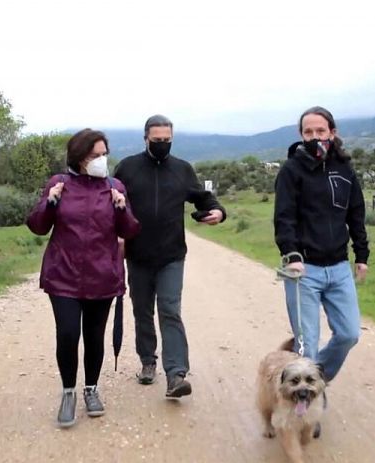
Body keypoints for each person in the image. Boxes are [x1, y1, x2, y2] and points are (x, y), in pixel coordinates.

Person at [27, 129, 141, 427]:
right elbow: (38, 227)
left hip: (102, 275)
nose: (101, 160)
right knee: (67, 334)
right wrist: (49, 203)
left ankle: (91, 388)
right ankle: (68, 392)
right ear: (79, 158)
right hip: (63, 275)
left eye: (104, 154)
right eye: (94, 155)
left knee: (94, 337)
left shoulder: (115, 187)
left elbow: (129, 230)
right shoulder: (59, 184)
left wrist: (121, 208)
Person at [114, 114, 226, 398]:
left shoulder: (182, 170)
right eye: (157, 140)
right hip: (136, 255)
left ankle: (176, 374)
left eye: (167, 140)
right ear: (145, 139)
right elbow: (110, 204)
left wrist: (217, 211)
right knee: (142, 311)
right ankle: (147, 361)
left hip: (172, 255)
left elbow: (203, 197)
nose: (162, 144)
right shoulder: (127, 169)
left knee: (170, 310)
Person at [273, 106, 369, 386]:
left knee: (350, 333)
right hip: (302, 268)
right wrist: (291, 254)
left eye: (320, 131)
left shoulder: (345, 170)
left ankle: (312, 381)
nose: (315, 136)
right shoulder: (291, 170)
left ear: (332, 133)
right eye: (308, 132)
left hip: (338, 267)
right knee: (307, 344)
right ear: (301, 135)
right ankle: (307, 402)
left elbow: (356, 214)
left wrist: (361, 254)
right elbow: (283, 217)